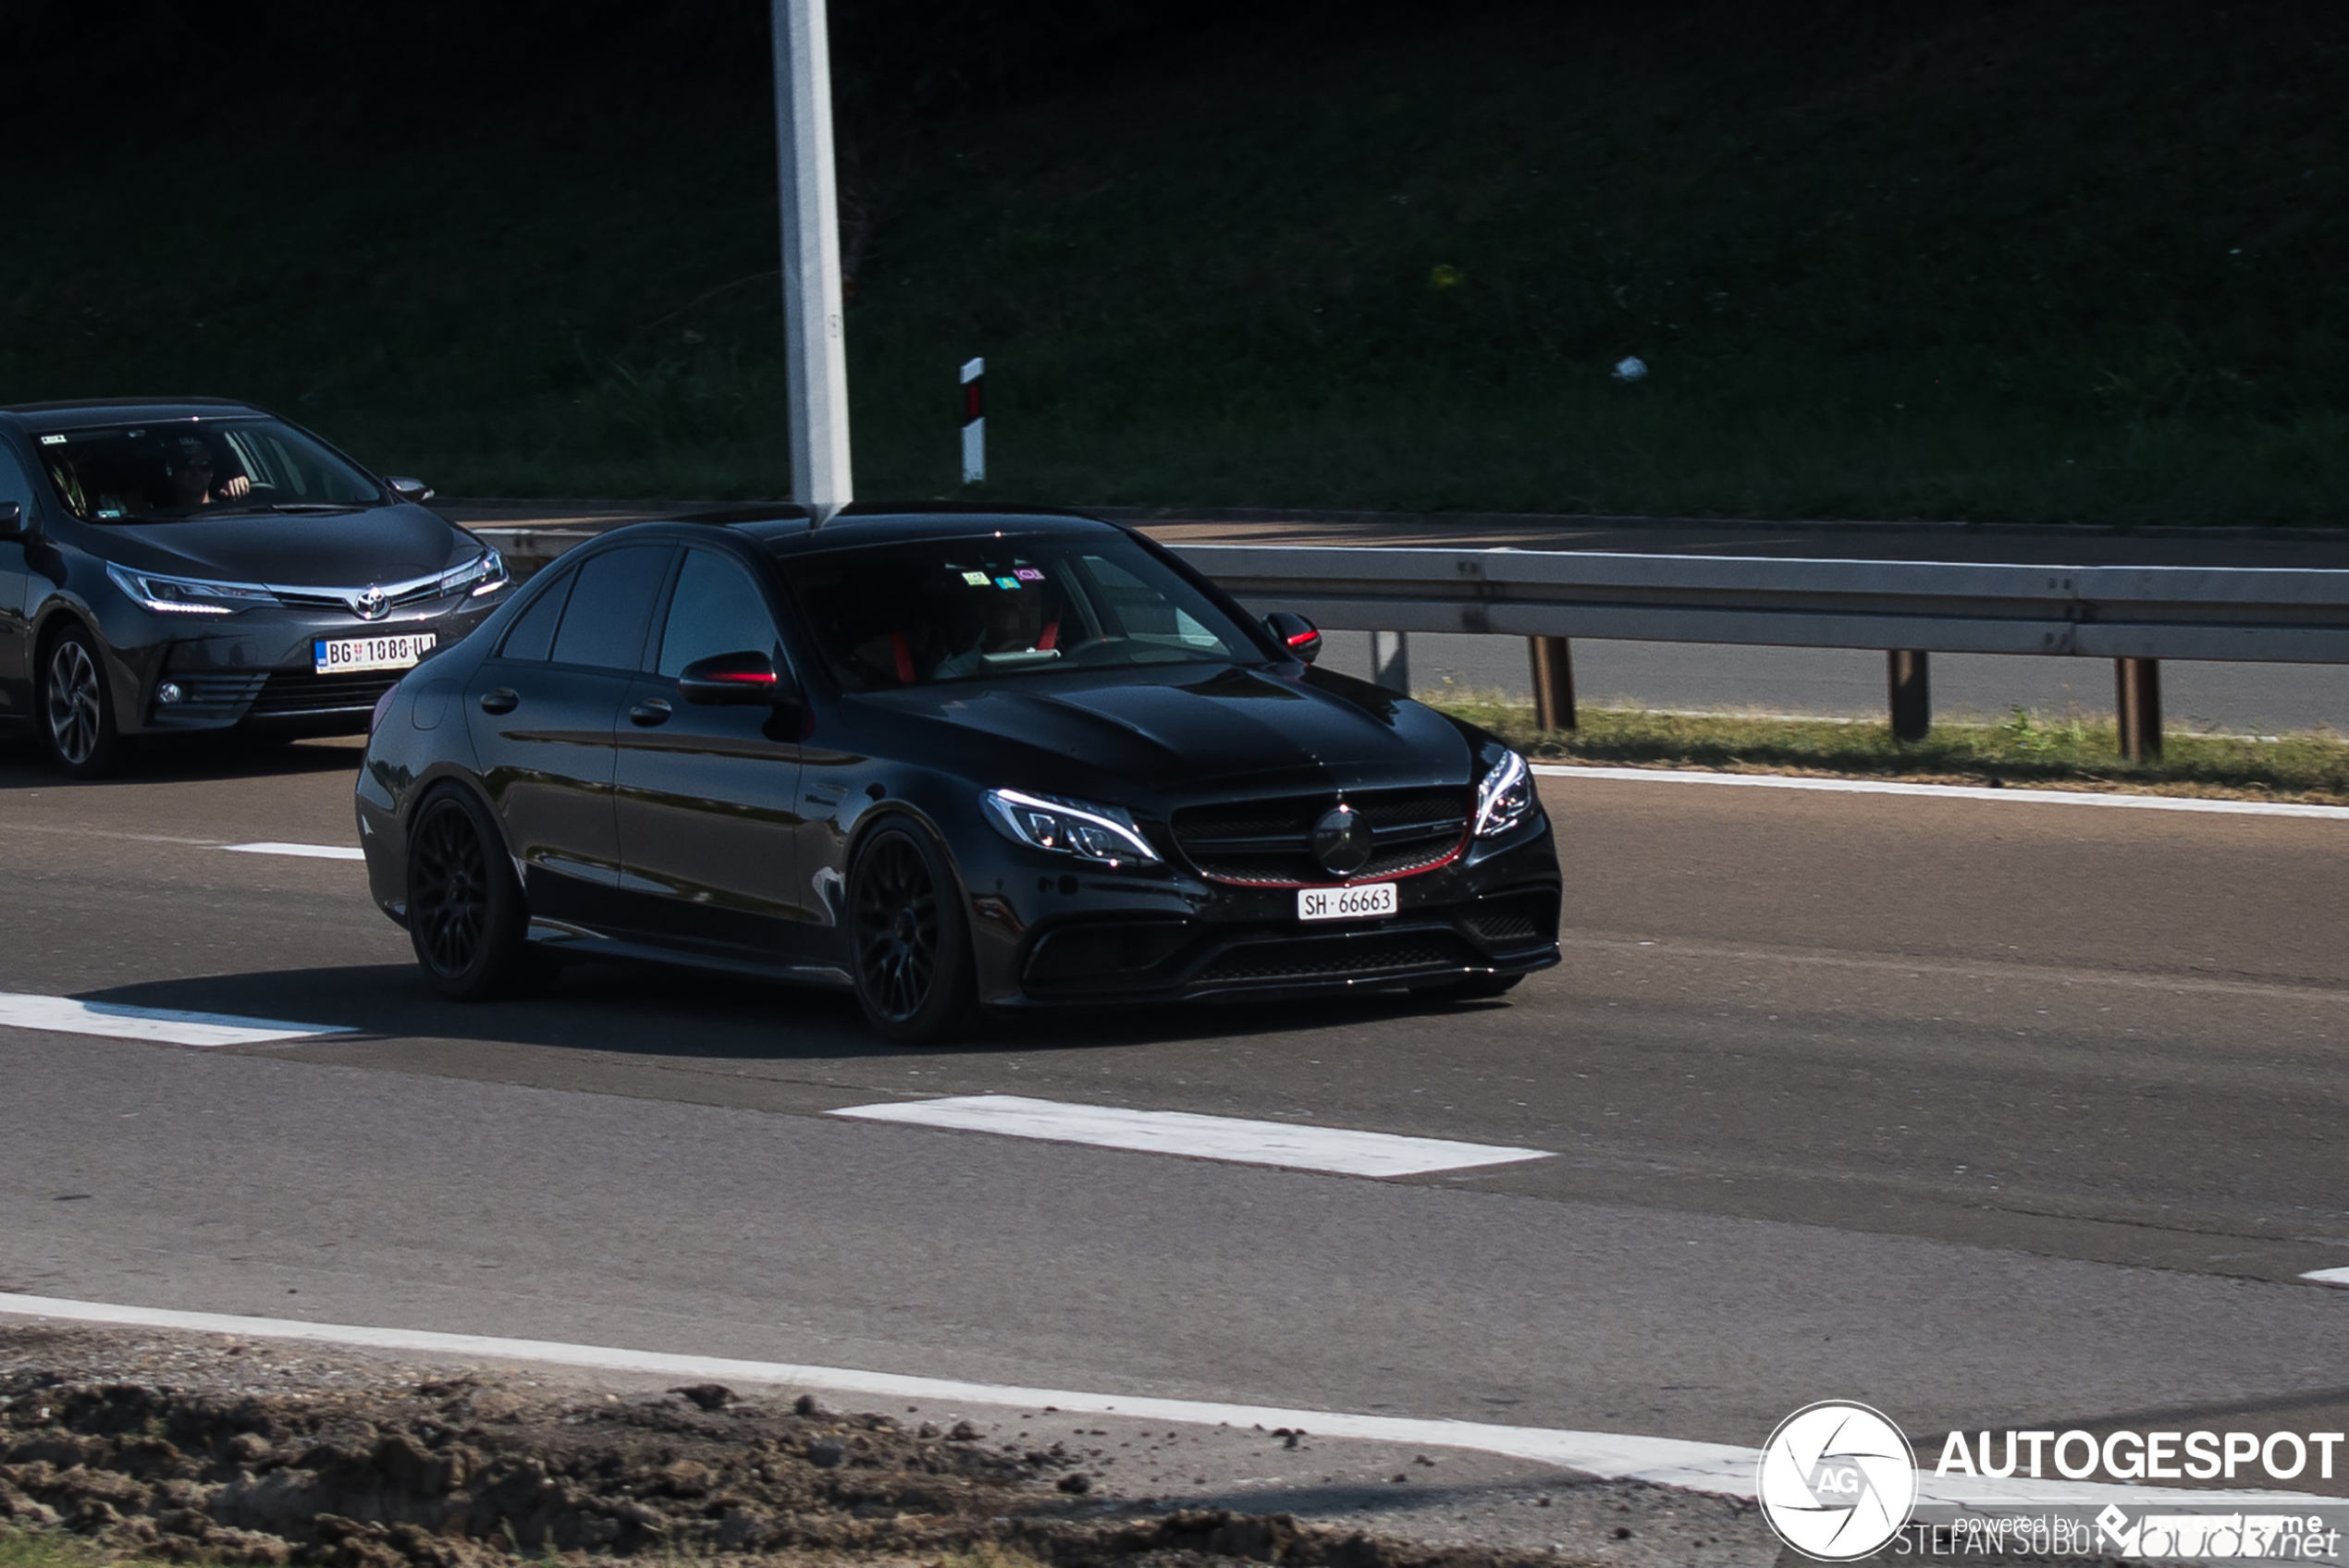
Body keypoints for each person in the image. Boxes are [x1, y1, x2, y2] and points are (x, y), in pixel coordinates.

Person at [164, 435, 251, 508]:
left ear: (212, 471)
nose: (196, 471)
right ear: (171, 470)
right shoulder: (157, 517)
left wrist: (242, 489)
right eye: (187, 465)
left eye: (205, 465)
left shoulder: (228, 512)